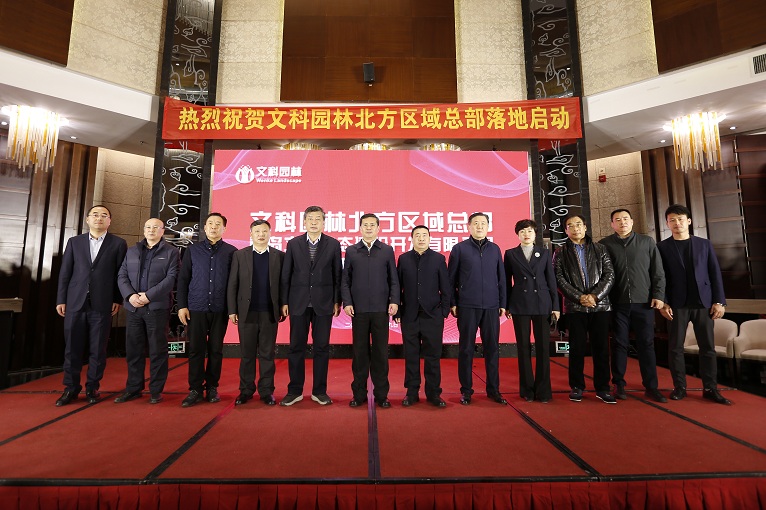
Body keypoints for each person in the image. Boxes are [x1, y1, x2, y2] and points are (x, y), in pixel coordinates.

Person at [657, 204, 731, 405]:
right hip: (676, 305)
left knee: (707, 348)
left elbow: (715, 274)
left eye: (680, 219)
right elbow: (660, 277)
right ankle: (680, 387)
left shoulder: (704, 244)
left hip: (703, 303)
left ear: (689, 221)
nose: (677, 223)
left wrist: (719, 301)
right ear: (667, 224)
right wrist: (664, 303)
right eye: (672, 220)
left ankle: (710, 388)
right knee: (675, 348)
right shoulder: (662, 247)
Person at [54, 205, 127, 406]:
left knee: (98, 349)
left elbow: (120, 274)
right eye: (95, 215)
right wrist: (61, 299)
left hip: (102, 303)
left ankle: (92, 387)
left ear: (109, 221)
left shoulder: (118, 243)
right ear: (87, 219)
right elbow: (65, 273)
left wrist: (117, 299)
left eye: (104, 215)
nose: (99, 218)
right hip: (74, 303)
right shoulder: (74, 242)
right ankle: (70, 388)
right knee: (72, 348)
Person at [599, 208, 667, 403]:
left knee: (647, 344)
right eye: (618, 220)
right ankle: (618, 384)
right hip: (617, 303)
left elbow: (658, 271)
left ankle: (651, 387)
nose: (622, 222)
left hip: (644, 302)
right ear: (612, 224)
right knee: (619, 343)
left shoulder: (647, 242)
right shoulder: (604, 244)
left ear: (632, 221)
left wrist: (659, 295)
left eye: (625, 219)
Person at [279, 206, 342, 406]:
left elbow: (337, 275)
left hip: (324, 303)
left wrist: (337, 301)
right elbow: (286, 274)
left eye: (318, 219)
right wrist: (284, 301)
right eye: (310, 219)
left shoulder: (333, 244)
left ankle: (319, 391)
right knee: (296, 347)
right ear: (304, 222)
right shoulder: (294, 244)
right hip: (298, 303)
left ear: (323, 222)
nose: (314, 222)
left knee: (321, 348)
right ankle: (294, 390)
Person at [553, 214, 616, 404]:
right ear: (566, 230)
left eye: (578, 224)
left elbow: (609, 275)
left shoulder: (600, 249)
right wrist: (579, 297)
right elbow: (559, 279)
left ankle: (603, 388)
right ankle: (577, 386)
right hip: (575, 307)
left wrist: (595, 296)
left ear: (585, 227)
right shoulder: (560, 252)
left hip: (600, 306)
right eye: (571, 226)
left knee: (601, 349)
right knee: (576, 349)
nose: (576, 228)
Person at [176, 212, 237, 407]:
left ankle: (212, 387)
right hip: (196, 306)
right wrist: (182, 305)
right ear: (204, 227)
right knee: (196, 350)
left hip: (220, 308)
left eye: (218, 224)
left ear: (224, 228)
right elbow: (183, 279)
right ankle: (195, 388)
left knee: (216, 350)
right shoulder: (192, 250)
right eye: (210, 223)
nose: (213, 227)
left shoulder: (232, 252)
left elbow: (234, 283)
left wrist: (233, 308)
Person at [115, 218, 179, 404]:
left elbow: (172, 278)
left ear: (162, 231)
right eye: (148, 227)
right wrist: (130, 296)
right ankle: (133, 388)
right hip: (134, 308)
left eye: (155, 227)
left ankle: (155, 390)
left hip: (157, 308)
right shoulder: (132, 251)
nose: (151, 230)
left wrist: (149, 296)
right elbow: (122, 275)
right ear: (144, 230)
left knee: (158, 350)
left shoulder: (171, 252)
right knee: (133, 350)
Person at [448, 212, 507, 405]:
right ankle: (466, 391)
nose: (479, 226)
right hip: (467, 306)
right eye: (476, 223)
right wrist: (453, 302)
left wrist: (503, 303)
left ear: (488, 226)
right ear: (469, 227)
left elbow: (502, 279)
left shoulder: (495, 249)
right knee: (466, 349)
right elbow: (451, 280)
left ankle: (494, 389)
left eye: (483, 223)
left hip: (491, 306)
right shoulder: (459, 249)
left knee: (492, 349)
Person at [342, 213, 399, 408]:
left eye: (372, 225)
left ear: (378, 228)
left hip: (381, 310)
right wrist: (347, 302)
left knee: (381, 354)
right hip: (358, 310)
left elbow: (393, 279)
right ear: (360, 228)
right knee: (359, 354)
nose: (368, 228)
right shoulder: (351, 251)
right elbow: (345, 280)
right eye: (365, 225)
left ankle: (382, 395)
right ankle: (358, 394)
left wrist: (394, 301)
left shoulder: (386, 250)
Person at [227, 220, 285, 406]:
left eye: (264, 231)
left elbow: (283, 284)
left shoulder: (279, 256)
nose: (261, 234)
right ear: (251, 234)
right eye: (257, 231)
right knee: (247, 355)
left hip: (269, 312)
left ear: (270, 234)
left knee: (267, 354)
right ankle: (246, 390)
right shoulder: (240, 255)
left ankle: (267, 391)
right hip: (246, 312)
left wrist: (283, 305)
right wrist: (232, 310)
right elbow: (233, 284)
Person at [395, 225, 451, 407]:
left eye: (424, 235)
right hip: (409, 315)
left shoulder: (438, 259)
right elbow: (398, 287)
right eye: (417, 235)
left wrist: (443, 311)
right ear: (411, 239)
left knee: (432, 356)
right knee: (411, 356)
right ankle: (411, 393)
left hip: (432, 316)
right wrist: (398, 311)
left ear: (429, 238)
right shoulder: (404, 259)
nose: (421, 238)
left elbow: (446, 287)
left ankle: (434, 393)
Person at [504, 219, 559, 403]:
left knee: (543, 348)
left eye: (529, 231)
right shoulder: (511, 254)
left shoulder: (544, 253)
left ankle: (543, 391)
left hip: (542, 303)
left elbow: (551, 280)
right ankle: (527, 390)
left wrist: (555, 306)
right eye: (522, 231)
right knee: (523, 347)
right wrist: (507, 305)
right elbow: (507, 282)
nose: (526, 234)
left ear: (535, 234)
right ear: (517, 235)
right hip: (520, 304)